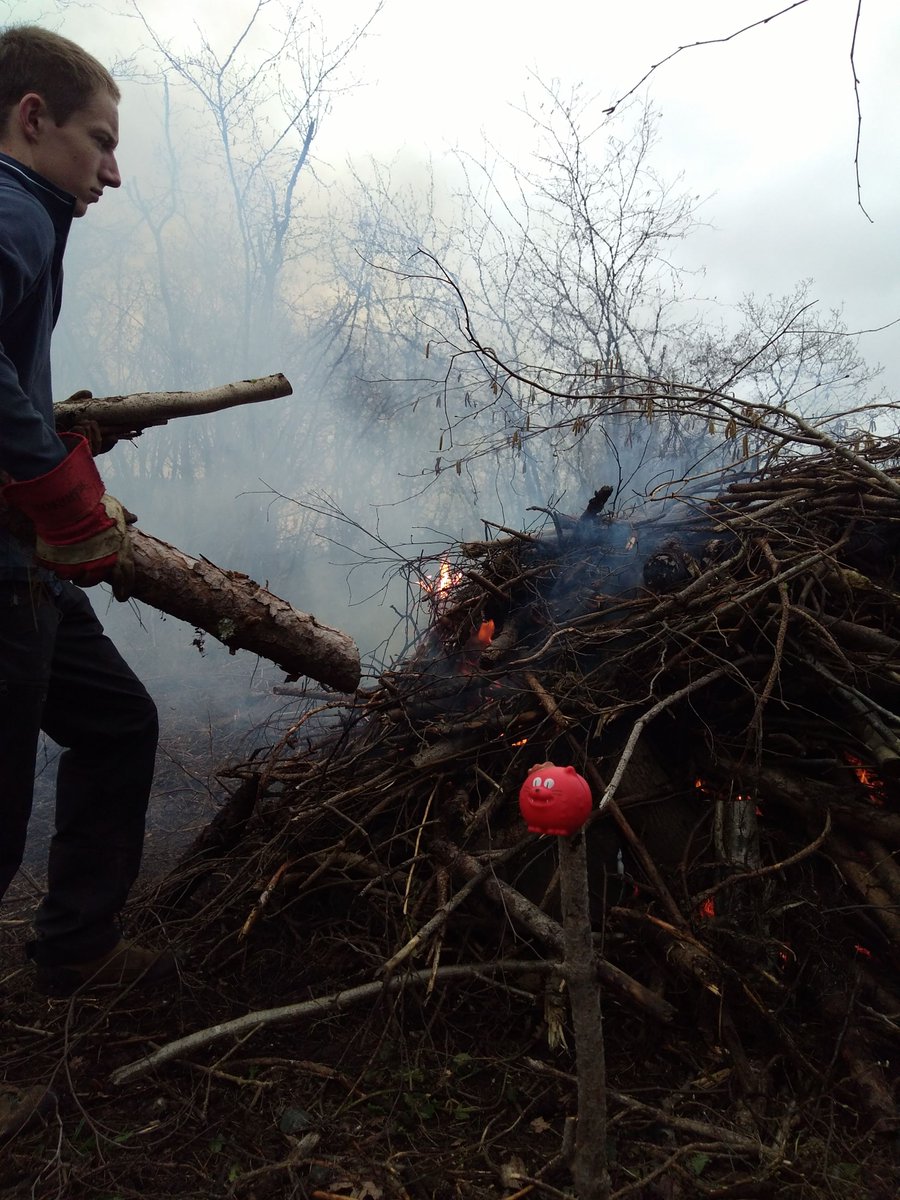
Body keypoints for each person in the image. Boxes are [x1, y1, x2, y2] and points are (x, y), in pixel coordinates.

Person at [0, 25, 174, 1013]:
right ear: (34, 118)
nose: (112, 171)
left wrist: (52, 437)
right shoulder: (12, 208)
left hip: (23, 557)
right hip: (7, 558)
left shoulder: (30, 216)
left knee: (115, 722)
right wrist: (57, 489)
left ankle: (72, 952)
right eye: (100, 141)